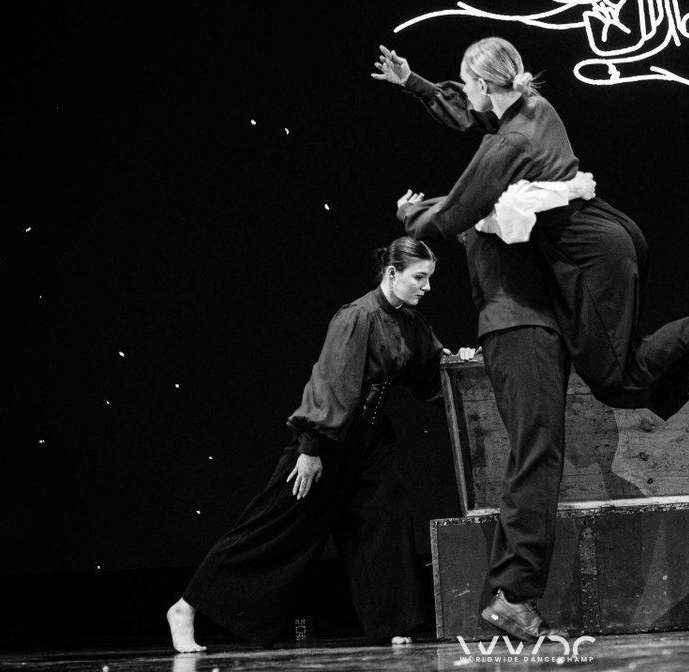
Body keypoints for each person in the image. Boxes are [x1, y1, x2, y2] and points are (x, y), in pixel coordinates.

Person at [373, 37, 689, 640]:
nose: (468, 100)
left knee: (577, 412)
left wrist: (412, 216)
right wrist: (416, 85)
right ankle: (512, 593)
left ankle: (512, 593)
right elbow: (468, 142)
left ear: (485, 84)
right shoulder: (527, 120)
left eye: (468, 84)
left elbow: (451, 212)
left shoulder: (506, 153)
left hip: (545, 311)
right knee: (558, 431)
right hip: (523, 322)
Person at [166, 237, 473, 652]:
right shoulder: (357, 317)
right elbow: (331, 381)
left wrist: (460, 365)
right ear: (391, 273)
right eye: (419, 277)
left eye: (429, 278)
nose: (427, 287)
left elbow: (431, 375)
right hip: (328, 438)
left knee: (386, 517)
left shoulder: (412, 324)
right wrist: (310, 449)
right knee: (277, 524)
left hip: (370, 440)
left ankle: (391, 622)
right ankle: (186, 607)